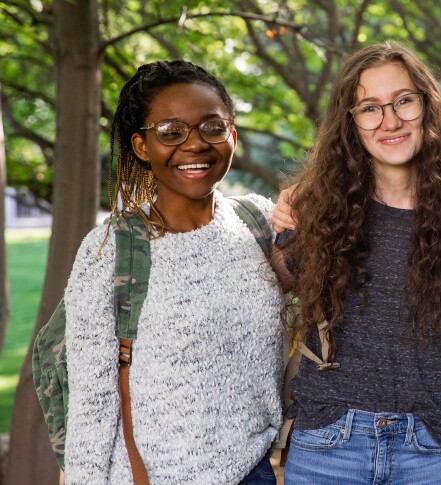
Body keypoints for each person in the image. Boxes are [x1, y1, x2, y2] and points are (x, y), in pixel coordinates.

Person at [269, 41, 441, 484]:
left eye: (403, 101)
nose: (391, 121)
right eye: (369, 108)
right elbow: (278, 287)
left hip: (430, 448)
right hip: (328, 445)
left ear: (426, 106)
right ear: (351, 122)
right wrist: (281, 235)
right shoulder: (313, 210)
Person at [63, 60, 283, 484]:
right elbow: (91, 404)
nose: (195, 144)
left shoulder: (260, 223)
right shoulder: (110, 250)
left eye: (212, 127)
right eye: (171, 132)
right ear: (142, 147)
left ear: (232, 136)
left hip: (255, 471)